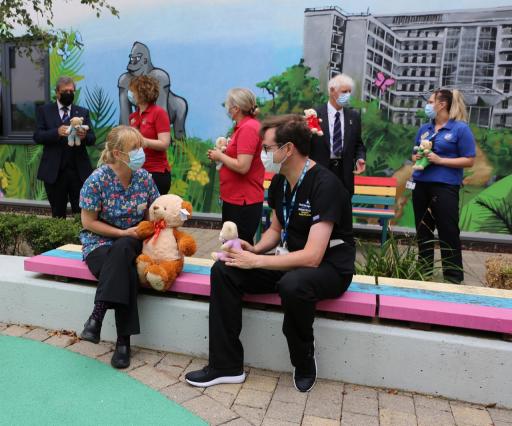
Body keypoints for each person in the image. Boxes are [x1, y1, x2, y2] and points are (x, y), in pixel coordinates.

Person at [186, 114, 355, 392]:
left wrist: (257, 261)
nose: (262, 154)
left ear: (288, 149)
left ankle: (303, 360)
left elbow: (313, 256)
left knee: (293, 285)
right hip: (288, 261)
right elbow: (276, 229)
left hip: (328, 267)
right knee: (224, 269)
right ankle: (225, 366)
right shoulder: (279, 182)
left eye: (267, 148)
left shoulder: (325, 185)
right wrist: (253, 248)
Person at [78, 126, 159, 369]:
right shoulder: (97, 179)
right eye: (134, 148)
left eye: (140, 147)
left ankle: (97, 316)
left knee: (124, 248)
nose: (140, 152)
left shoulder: (144, 178)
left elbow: (155, 212)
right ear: (117, 152)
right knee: (125, 268)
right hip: (98, 243)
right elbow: (88, 222)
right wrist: (122, 232)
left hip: (134, 241)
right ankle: (123, 342)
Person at [411, 89, 476, 284]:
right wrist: (419, 157)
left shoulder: (460, 129)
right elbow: (413, 155)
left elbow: (469, 160)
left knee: (448, 231)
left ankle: (453, 277)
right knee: (423, 230)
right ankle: (423, 271)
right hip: (421, 185)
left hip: (445, 187)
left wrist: (440, 160)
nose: (428, 105)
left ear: (442, 105)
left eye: (431, 102)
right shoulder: (424, 128)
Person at [207, 88, 264, 243]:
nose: (227, 109)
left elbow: (242, 166)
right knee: (231, 246)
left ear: (236, 108)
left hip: (243, 201)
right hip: (235, 199)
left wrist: (220, 156)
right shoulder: (242, 127)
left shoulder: (248, 128)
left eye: (228, 105)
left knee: (238, 246)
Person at [34, 76, 96, 218]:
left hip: (78, 172)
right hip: (55, 173)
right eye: (65, 91)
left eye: (71, 91)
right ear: (57, 92)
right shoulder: (44, 110)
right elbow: (37, 136)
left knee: (81, 214)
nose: (69, 93)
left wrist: (84, 136)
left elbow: (93, 139)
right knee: (57, 214)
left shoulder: (82, 112)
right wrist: (56, 132)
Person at [309, 73, 366, 195]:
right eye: (344, 91)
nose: (347, 95)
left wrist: (360, 158)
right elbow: (306, 144)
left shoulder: (354, 116)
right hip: (320, 173)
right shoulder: (315, 114)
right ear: (332, 91)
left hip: (344, 175)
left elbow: (358, 144)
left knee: (343, 211)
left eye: (349, 92)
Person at [128, 75, 172, 195]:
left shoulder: (158, 113)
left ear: (142, 93)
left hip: (156, 172)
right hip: (137, 171)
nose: (130, 94)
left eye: (133, 91)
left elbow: (164, 143)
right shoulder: (133, 117)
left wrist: (144, 141)